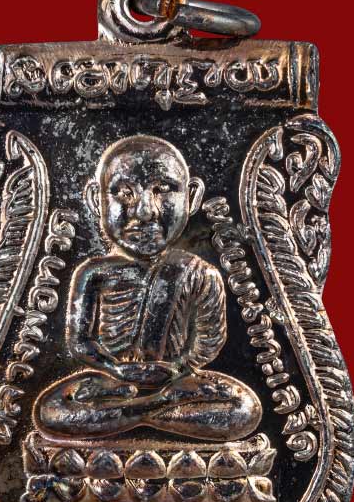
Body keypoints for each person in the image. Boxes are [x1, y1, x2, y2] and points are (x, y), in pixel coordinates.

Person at [33, 135, 262, 441]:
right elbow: (80, 342)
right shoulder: (93, 273)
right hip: (113, 383)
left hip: (177, 382)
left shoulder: (200, 273)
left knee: (245, 407)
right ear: (95, 199)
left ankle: (131, 414)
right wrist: (116, 370)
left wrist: (177, 368)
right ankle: (153, 410)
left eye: (163, 189)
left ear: (192, 197)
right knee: (50, 410)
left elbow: (208, 340)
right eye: (123, 193)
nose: (144, 211)